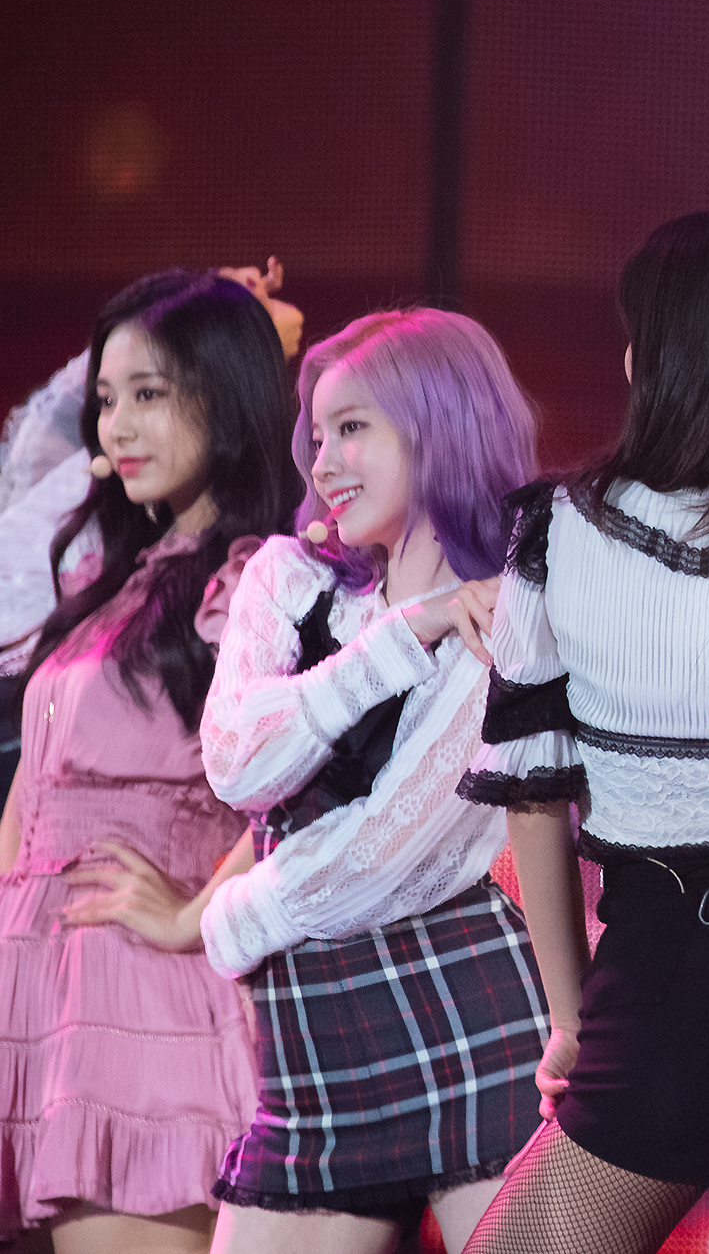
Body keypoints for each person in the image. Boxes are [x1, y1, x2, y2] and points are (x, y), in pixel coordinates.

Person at [79, 308, 549, 1254]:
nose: (323, 461)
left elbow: (386, 854)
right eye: (319, 434)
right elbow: (239, 763)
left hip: (468, 1021)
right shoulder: (289, 577)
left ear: (437, 427)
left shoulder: (510, 610)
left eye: (353, 428)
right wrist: (400, 636)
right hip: (310, 1051)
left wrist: (223, 917)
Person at [455, 206, 709, 1254]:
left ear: (669, 358)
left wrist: (571, 1014)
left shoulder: (560, 527)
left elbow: (532, 796)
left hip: (669, 959)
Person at [0, 270, 299, 1252]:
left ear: (227, 396)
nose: (116, 426)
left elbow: (313, 787)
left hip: (135, 995)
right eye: (106, 399)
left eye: (148, 394)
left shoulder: (256, 581)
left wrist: (192, 907)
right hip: (33, 976)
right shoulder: (117, 581)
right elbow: (30, 795)